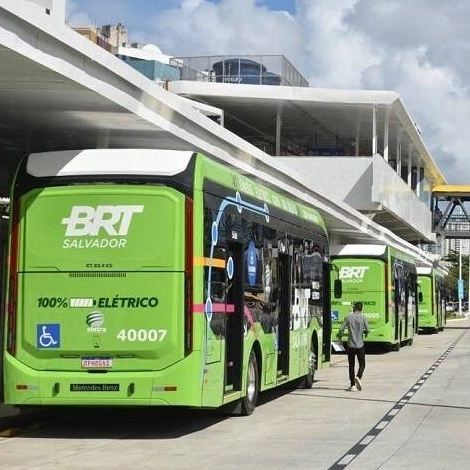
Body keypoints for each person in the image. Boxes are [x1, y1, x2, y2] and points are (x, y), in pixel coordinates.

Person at [337, 301, 370, 391]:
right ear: (361, 308)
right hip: (360, 345)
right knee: (362, 364)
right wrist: (365, 333)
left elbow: (341, 329)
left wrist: (340, 336)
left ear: (354, 307)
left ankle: (352, 385)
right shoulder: (363, 317)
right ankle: (358, 377)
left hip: (350, 345)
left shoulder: (348, 317)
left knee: (351, 366)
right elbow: (368, 329)